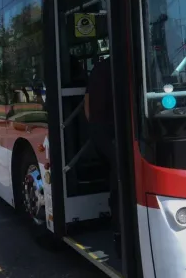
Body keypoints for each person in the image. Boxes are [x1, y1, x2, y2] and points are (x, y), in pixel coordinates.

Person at [84, 56, 120, 256]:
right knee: (120, 178)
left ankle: (117, 227)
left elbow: (87, 103)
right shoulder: (125, 63)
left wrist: (95, 129)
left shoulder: (99, 67)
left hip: (100, 132)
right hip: (114, 132)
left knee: (114, 176)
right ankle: (120, 229)